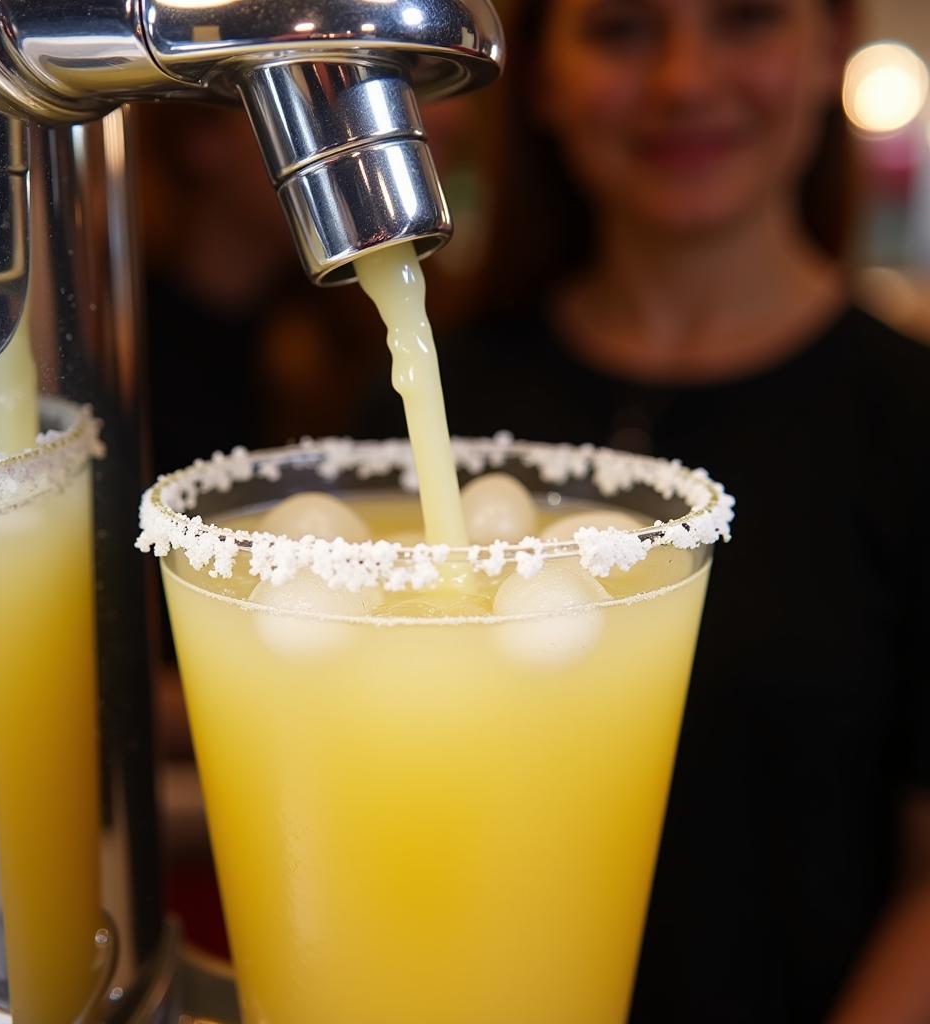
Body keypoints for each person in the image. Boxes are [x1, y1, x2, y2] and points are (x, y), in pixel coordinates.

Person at [361, 0, 930, 1020]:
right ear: (540, 79)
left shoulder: (907, 420)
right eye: (620, 29)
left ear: (827, 53)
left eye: (746, 20)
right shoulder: (433, 403)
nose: (682, 80)